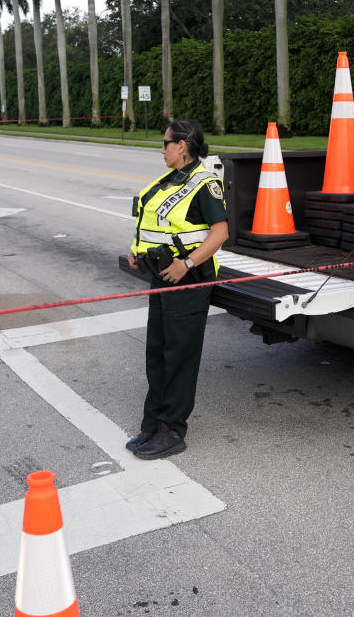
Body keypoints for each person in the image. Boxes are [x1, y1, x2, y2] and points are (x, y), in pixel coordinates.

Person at [126, 119, 228, 460]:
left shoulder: (204, 183)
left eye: (166, 143)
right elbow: (156, 222)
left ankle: (172, 430)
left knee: (179, 359)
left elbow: (220, 232)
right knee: (157, 353)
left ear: (182, 145)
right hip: (162, 277)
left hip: (188, 281)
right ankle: (152, 424)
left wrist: (187, 262)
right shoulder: (169, 181)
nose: (162, 148)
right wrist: (137, 249)